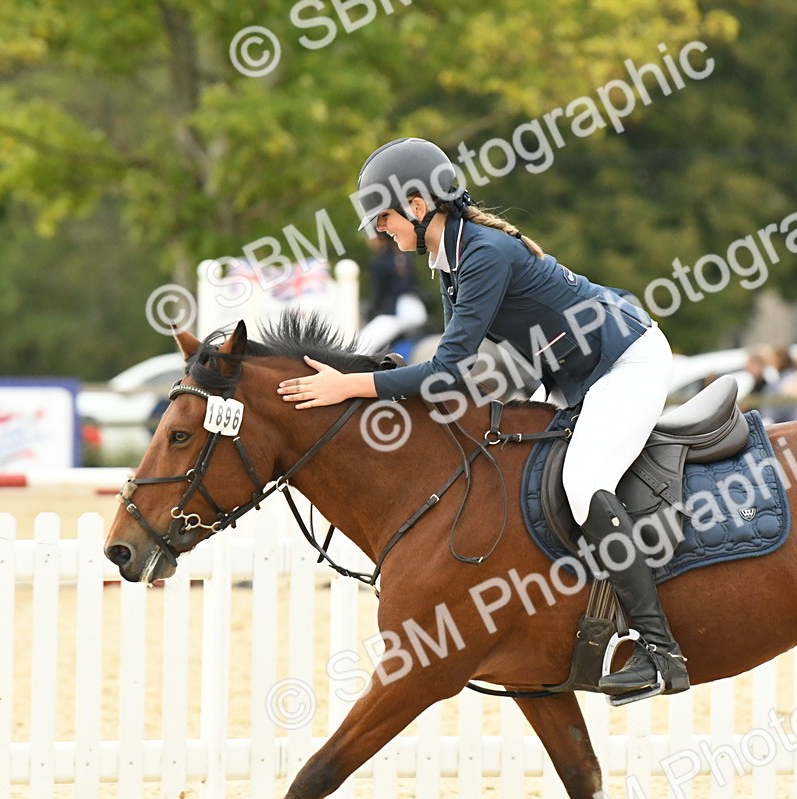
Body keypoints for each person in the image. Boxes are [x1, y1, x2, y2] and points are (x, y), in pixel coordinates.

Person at [276, 138, 688, 697]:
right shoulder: (452, 257)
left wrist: (349, 385)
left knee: (583, 480)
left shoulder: (483, 254)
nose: (382, 231)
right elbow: (456, 369)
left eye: (386, 217)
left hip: (627, 360)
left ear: (419, 207)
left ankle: (661, 652)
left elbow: (444, 372)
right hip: (575, 373)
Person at [356, 233, 429, 353]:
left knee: (361, 347)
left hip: (399, 312)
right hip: (418, 310)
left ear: (378, 237)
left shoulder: (379, 261)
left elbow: (379, 295)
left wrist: (370, 313)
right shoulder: (406, 255)